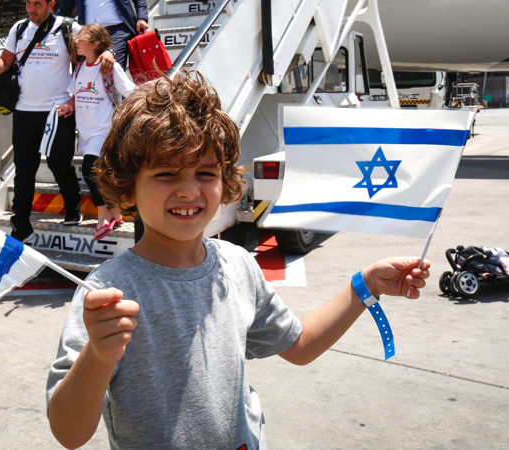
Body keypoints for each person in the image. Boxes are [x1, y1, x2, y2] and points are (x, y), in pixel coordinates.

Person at [45, 71, 431, 449]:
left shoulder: (238, 265)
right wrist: (99, 354)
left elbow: (299, 345)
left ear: (225, 180)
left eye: (205, 172)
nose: (188, 190)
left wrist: (364, 284)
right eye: (165, 174)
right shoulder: (105, 294)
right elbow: (69, 433)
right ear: (129, 188)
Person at [0, 0, 116, 242]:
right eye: (28, 3)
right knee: (24, 169)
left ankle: (73, 207)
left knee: (59, 164)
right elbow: (2, 67)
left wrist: (107, 52)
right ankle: (20, 224)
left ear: (51, 4)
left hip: (58, 111)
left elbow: (96, 42)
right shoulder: (19, 29)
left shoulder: (67, 27)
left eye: (38, 4)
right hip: (24, 110)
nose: (32, 9)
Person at [58, 24, 135, 240]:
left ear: (95, 44)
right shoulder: (81, 67)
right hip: (85, 131)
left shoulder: (109, 67)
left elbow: (130, 91)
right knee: (98, 175)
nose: (76, 42)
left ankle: (104, 217)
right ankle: (116, 214)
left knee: (89, 170)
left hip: (104, 129)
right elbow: (76, 95)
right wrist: (68, 107)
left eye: (80, 39)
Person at [57, 0, 148, 69]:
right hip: (88, 32)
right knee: (86, 71)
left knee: (111, 67)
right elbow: (65, 8)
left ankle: (114, 93)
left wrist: (142, 17)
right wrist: (54, 27)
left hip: (117, 30)